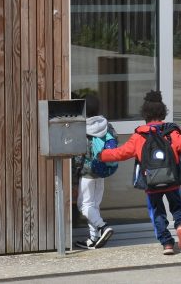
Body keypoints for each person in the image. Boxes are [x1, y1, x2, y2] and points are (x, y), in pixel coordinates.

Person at [96, 90, 181, 255]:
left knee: (157, 212)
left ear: (145, 114)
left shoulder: (138, 136)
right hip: (172, 181)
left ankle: (167, 244)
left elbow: (120, 153)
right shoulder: (172, 132)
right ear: (163, 113)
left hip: (151, 182)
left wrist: (101, 155)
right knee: (177, 207)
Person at [74, 94, 115, 250]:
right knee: (94, 205)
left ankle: (103, 226)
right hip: (102, 169)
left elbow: (79, 153)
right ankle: (93, 238)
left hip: (88, 171)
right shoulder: (106, 124)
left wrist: (76, 170)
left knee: (84, 206)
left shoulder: (82, 127)